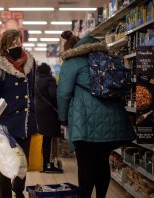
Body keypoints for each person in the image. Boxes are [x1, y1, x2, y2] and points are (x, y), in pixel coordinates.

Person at [57, 30, 135, 198]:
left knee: (86, 166)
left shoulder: (72, 61)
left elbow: (63, 93)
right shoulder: (107, 57)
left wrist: (63, 118)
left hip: (85, 122)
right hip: (113, 120)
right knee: (102, 163)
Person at [0, 29, 37, 198]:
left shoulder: (30, 62)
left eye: (18, 42)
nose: (16, 46)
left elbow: (33, 93)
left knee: (22, 163)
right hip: (6, 122)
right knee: (5, 164)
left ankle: (18, 190)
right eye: (12, 43)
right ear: (5, 45)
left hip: (26, 121)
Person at [35, 63, 63, 173]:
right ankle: (49, 165)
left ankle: (44, 163)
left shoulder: (37, 81)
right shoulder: (50, 80)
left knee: (45, 139)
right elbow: (53, 95)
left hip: (40, 111)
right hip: (50, 112)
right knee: (50, 139)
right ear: (48, 71)